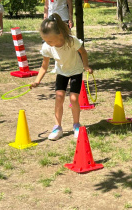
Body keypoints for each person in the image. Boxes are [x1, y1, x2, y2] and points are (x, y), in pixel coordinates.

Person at [30, 13, 93, 141]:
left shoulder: (71, 41)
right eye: (45, 40)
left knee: (74, 99)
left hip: (75, 71)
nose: (48, 43)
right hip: (61, 72)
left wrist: (85, 66)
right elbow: (44, 66)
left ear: (60, 35)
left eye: (50, 40)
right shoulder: (47, 47)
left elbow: (83, 52)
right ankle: (57, 127)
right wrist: (37, 81)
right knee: (59, 97)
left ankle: (76, 125)